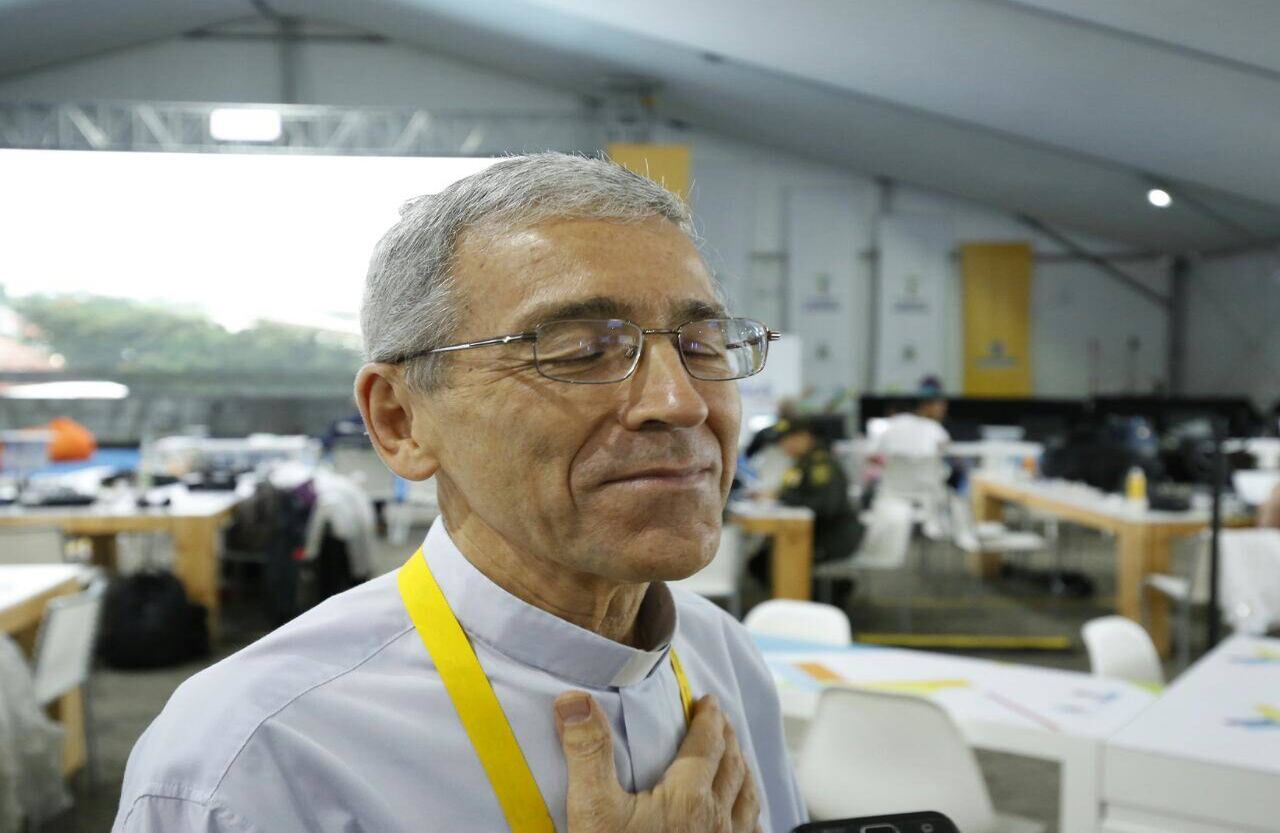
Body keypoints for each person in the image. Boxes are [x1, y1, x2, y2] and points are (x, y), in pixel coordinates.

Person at [113, 154, 805, 833]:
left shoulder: (725, 658)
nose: (678, 402)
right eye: (579, 349)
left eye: (705, 345)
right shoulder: (251, 760)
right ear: (400, 419)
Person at [748, 418, 864, 608]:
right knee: (760, 561)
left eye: (786, 440)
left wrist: (781, 497)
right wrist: (779, 495)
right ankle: (808, 598)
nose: (783, 446)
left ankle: (825, 598)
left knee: (769, 562)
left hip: (832, 537)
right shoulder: (803, 463)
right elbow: (796, 493)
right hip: (813, 532)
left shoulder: (821, 465)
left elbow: (826, 506)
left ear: (804, 438)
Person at [871, 376, 951, 458]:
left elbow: (875, 453)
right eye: (941, 404)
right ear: (926, 405)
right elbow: (948, 454)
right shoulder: (935, 429)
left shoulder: (892, 424)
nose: (944, 408)